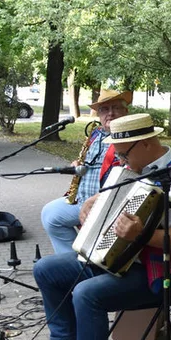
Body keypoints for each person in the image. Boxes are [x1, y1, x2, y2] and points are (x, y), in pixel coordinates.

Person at [33, 113, 171, 340]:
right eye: (118, 154)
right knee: (46, 270)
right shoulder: (124, 170)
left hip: (152, 273)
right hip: (107, 258)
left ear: (147, 144)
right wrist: (89, 204)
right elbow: (107, 200)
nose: (120, 160)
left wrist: (142, 235)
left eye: (124, 153)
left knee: (87, 294)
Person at [40, 90, 131, 254]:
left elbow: (132, 174)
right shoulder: (96, 134)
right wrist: (78, 164)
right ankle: (70, 261)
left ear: (126, 111)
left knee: (53, 216)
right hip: (82, 198)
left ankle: (75, 264)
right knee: (50, 213)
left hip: (106, 202)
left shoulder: (129, 137)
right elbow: (88, 160)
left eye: (115, 108)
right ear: (98, 114)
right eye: (104, 109)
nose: (110, 113)